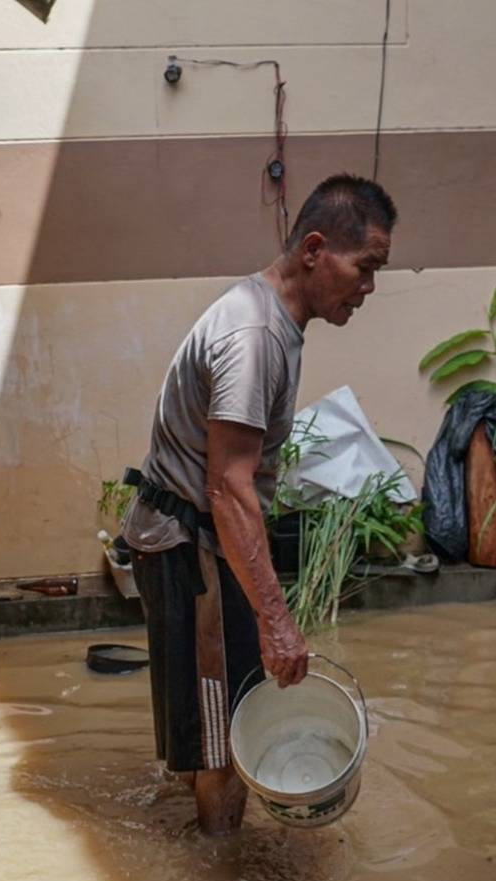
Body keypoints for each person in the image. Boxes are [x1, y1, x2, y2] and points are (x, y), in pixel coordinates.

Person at [122, 173, 396, 834]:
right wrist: (276, 620)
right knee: (225, 744)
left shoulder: (267, 318)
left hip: (192, 540)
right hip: (191, 548)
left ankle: (191, 845)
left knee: (212, 720)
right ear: (314, 248)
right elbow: (229, 486)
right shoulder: (255, 336)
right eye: (365, 268)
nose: (369, 288)